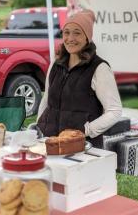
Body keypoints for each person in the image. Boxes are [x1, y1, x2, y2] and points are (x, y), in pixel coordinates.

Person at [37, 9, 123, 148]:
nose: (70, 38)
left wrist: (85, 131)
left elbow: (114, 110)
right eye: (67, 32)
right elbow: (46, 100)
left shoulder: (99, 68)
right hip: (50, 142)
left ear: (87, 37)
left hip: (81, 146)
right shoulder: (56, 64)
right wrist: (40, 125)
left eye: (77, 33)